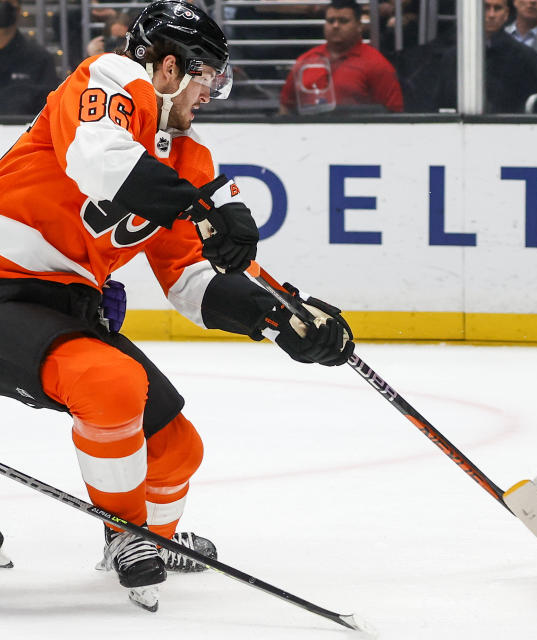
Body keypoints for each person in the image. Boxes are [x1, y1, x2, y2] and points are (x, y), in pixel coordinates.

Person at [0, 0, 355, 612]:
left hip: (66, 307)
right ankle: (126, 532)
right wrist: (197, 206)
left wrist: (281, 316)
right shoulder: (109, 77)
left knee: (177, 447)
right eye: (207, 78)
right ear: (168, 68)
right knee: (109, 383)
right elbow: (99, 158)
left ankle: (150, 541)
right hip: (2, 286)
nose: (210, 95)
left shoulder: (187, 158)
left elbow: (190, 280)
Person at [279, 0, 404, 114]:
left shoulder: (377, 65)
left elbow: (394, 113)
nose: (335, 26)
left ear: (359, 26)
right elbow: (286, 107)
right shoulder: (305, 61)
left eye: (343, 21)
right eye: (330, 21)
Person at [436, 0, 537, 114]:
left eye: (497, 8)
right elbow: (441, 104)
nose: (491, 15)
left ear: (506, 13)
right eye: (485, 8)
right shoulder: (453, 57)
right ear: (474, 12)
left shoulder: (525, 57)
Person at [0, 0, 59, 115]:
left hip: (21, 131)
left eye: (8, 1)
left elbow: (48, 112)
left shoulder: (40, 59)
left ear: (18, 9)